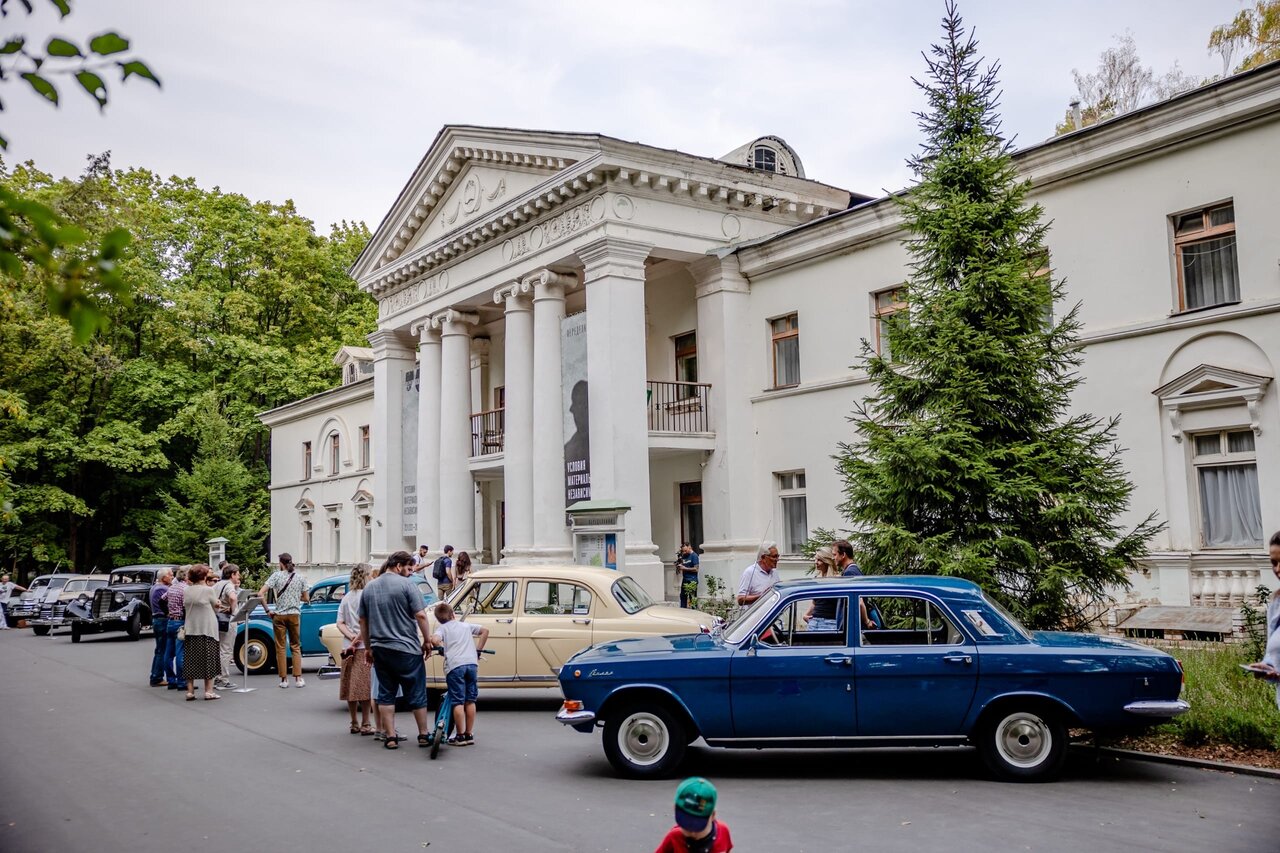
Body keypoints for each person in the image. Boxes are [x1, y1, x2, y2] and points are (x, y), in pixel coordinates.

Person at [359, 550, 433, 750]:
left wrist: (368, 647)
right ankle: (424, 734)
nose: (410, 573)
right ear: (398, 566)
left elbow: (363, 621)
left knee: (386, 692)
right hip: (407, 648)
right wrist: (427, 640)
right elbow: (421, 616)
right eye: (408, 568)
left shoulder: (370, 588)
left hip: (380, 648)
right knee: (416, 692)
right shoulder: (407, 585)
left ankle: (390, 736)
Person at [429, 601, 489, 746]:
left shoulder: (442, 629)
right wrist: (478, 651)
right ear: (453, 614)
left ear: (438, 619)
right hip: (472, 664)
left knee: (458, 701)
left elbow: (434, 639)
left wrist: (441, 647)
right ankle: (469, 734)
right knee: (470, 700)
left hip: (455, 666)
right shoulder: (465, 625)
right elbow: (485, 631)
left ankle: (460, 736)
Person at [337, 562, 374, 735]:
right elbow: (366, 622)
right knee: (365, 688)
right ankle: (366, 723)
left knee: (350, 687)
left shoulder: (347, 597)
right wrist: (358, 638)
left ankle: (353, 722)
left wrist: (350, 637)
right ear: (366, 576)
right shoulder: (367, 596)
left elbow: (340, 622)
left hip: (348, 648)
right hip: (363, 647)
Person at [263, 553, 310, 688]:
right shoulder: (300, 577)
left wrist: (267, 610)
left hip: (279, 616)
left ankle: (284, 680)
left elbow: (261, 593)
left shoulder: (276, 576)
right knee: (296, 646)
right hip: (294, 614)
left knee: (281, 647)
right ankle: (298, 679)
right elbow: (306, 598)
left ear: (280, 563)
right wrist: (295, 598)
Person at [1245, 530, 1280, 709]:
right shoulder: (1276, 603)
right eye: (1274, 563)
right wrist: (1266, 667)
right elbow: (1272, 655)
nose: (1278, 569)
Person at [654, 777, 733, 853]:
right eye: (686, 824)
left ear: (712, 815)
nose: (692, 832)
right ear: (675, 810)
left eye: (698, 826)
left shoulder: (723, 832)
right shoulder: (674, 837)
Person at [181, 565, 222, 701]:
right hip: (206, 628)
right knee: (208, 659)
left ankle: (190, 691)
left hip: (191, 628)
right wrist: (218, 603)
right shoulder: (208, 590)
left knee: (191, 660)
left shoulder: (186, 590)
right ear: (204, 576)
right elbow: (215, 607)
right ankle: (209, 691)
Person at [212, 564, 240, 690]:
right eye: (237, 574)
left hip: (217, 619)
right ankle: (223, 678)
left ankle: (217, 676)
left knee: (218, 649)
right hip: (228, 620)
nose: (239, 576)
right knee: (226, 650)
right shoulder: (229, 585)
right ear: (232, 574)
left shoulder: (217, 584)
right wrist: (233, 611)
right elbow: (233, 598)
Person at [164, 566, 190, 691]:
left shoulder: (172, 587)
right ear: (185, 576)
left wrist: (167, 612)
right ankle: (182, 681)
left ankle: (170, 680)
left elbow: (161, 601)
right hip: (180, 621)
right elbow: (186, 606)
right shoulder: (185, 589)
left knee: (168, 653)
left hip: (171, 621)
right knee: (181, 653)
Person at [803, 546, 840, 631]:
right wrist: (806, 615)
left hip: (830, 623)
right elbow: (815, 602)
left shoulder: (837, 579)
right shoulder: (817, 578)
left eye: (819, 560)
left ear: (826, 561)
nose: (816, 562)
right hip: (814, 622)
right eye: (815, 559)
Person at [147, 567, 174, 685]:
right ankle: (157, 677)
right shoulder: (162, 589)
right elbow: (167, 604)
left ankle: (155, 675)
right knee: (162, 650)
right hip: (162, 619)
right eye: (170, 575)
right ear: (164, 577)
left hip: (157, 619)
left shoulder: (154, 587)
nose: (172, 577)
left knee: (159, 649)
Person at [736, 542, 779, 607]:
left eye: (777, 556)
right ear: (763, 557)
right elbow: (740, 600)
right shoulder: (750, 572)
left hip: (772, 614)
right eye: (774, 556)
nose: (777, 559)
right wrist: (762, 596)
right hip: (757, 616)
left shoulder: (774, 572)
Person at [676, 543, 700, 609]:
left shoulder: (694, 556)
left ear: (689, 547)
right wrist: (678, 566)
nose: (684, 552)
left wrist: (684, 568)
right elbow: (681, 565)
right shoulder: (684, 556)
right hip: (685, 580)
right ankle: (683, 611)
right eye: (683, 551)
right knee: (683, 597)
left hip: (692, 580)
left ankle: (694, 612)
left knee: (692, 598)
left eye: (685, 550)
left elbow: (696, 569)